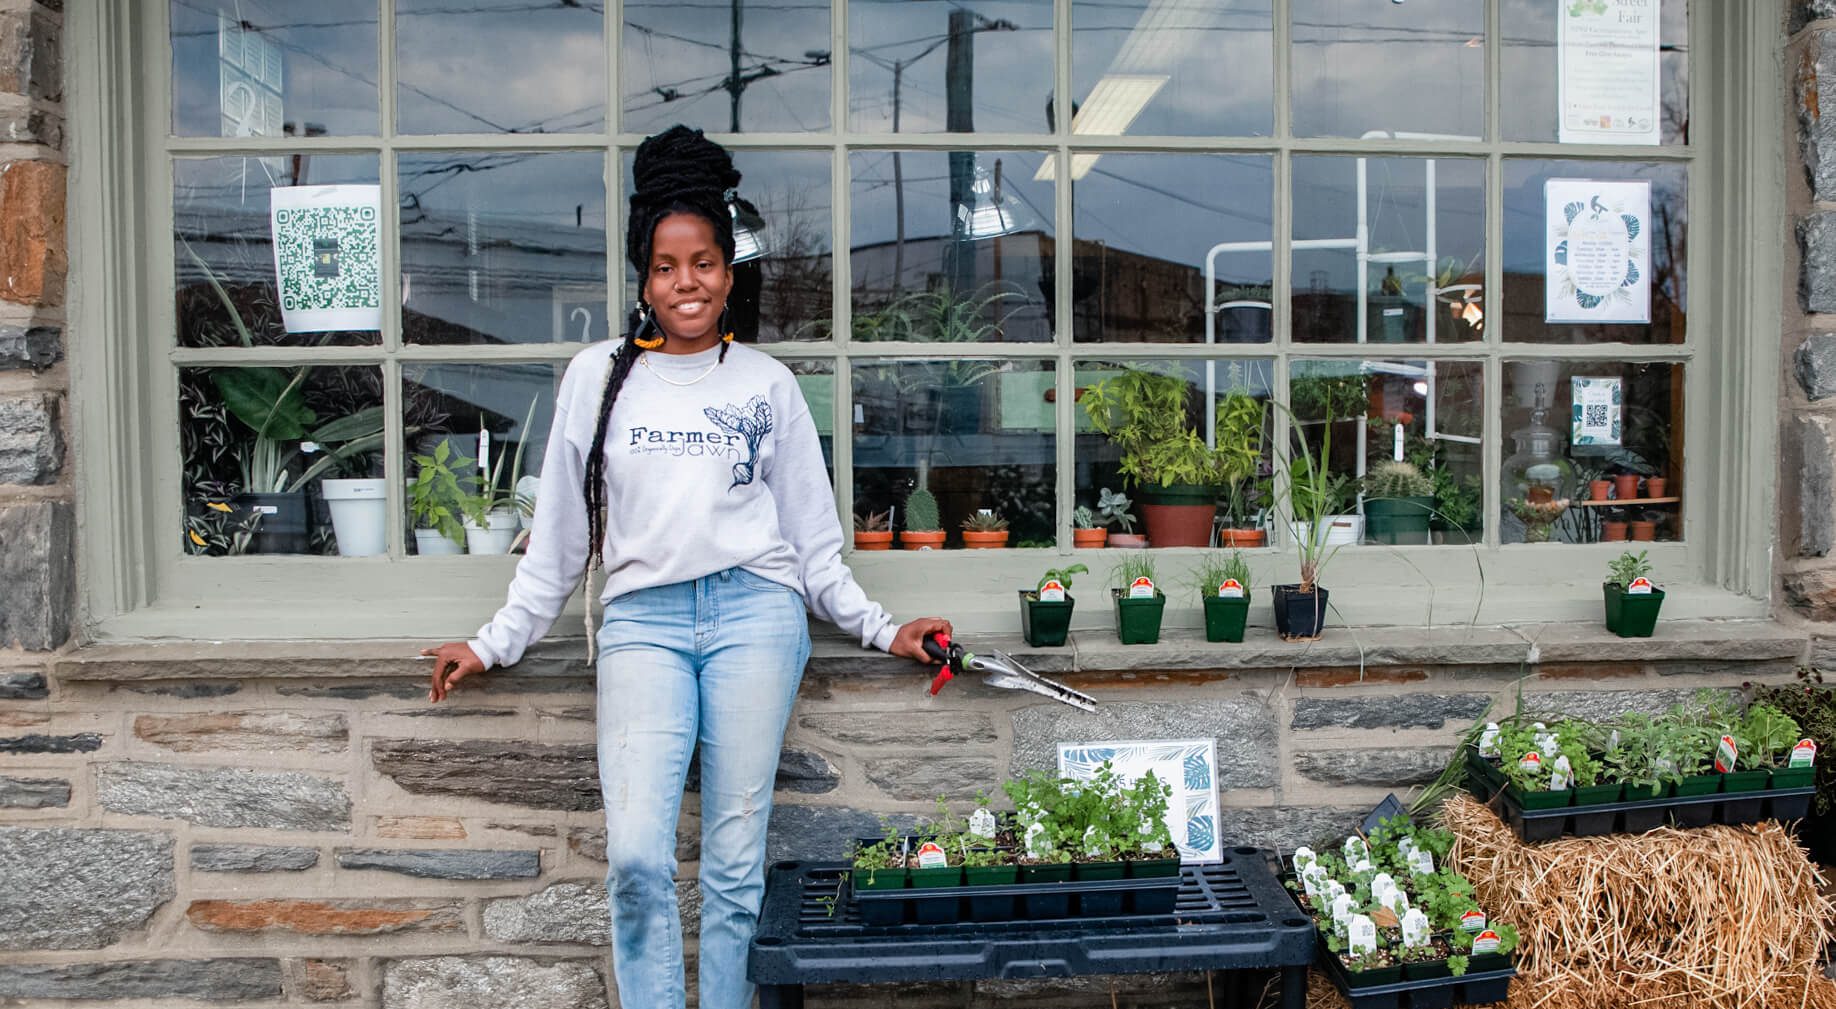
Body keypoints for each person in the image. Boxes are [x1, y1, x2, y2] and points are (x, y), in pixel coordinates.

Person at [420, 125, 952, 1009]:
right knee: (636, 858)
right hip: (643, 624)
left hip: (756, 616)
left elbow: (813, 544)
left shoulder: (766, 384)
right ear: (644, 278)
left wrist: (883, 627)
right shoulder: (597, 378)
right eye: (666, 267)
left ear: (728, 273)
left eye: (703, 262)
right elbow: (560, 540)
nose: (686, 282)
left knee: (735, 867)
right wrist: (494, 640)